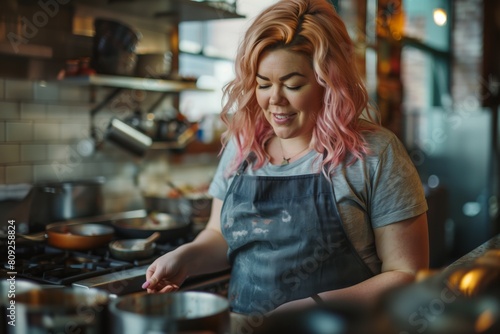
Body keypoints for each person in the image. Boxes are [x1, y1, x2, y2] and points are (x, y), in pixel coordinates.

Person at [143, 0, 429, 318]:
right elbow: (221, 236)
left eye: (293, 85)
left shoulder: (375, 154)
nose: (275, 99)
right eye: (264, 84)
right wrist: (186, 257)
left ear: (329, 83)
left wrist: (314, 308)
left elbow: (407, 273)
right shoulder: (243, 148)